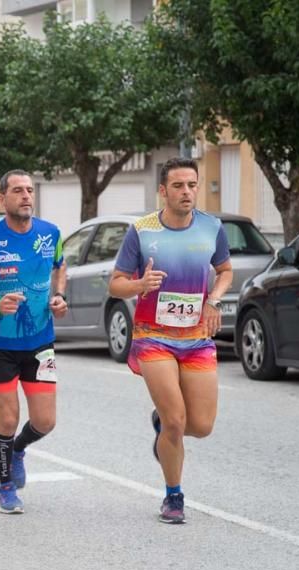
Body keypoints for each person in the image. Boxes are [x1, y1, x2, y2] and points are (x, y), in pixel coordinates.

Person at [108, 157, 232, 524]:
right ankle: (173, 496)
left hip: (196, 338)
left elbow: (224, 271)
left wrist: (214, 300)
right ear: (162, 191)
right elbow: (115, 283)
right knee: (177, 420)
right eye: (178, 186)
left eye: (192, 185)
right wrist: (138, 285)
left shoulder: (212, 227)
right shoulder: (142, 230)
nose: (187, 192)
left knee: (202, 426)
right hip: (153, 337)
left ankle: (161, 426)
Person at [0, 170, 68, 514]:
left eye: (30, 190)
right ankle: (5, 485)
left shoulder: (51, 234)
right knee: (6, 418)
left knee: (46, 422)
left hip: (40, 342)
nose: (26, 196)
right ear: (2, 198)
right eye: (18, 191)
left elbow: (59, 266)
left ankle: (18, 448)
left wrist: (59, 296)